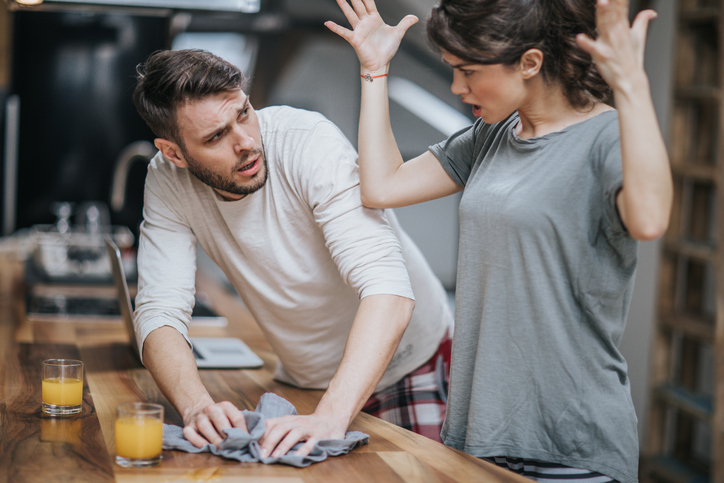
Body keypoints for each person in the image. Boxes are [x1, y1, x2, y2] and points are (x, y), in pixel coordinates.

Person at [326, 0, 672, 481]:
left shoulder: (606, 138)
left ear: (530, 62)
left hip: (569, 446)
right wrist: (375, 71)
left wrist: (632, 85)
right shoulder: (492, 134)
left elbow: (650, 219)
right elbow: (382, 187)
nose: (456, 86)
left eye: (467, 70)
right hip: (475, 435)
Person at [131, 48, 454, 457]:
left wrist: (331, 417)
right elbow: (159, 309)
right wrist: (196, 406)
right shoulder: (166, 182)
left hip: (410, 364)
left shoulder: (307, 142)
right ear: (173, 153)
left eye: (244, 113)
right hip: (307, 377)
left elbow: (387, 290)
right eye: (216, 137)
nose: (246, 143)